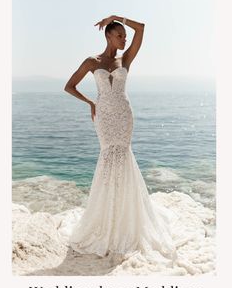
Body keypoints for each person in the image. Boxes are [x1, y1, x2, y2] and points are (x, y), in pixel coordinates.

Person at [59, 15, 178, 265]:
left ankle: (126, 219)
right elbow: (69, 86)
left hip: (124, 115)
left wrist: (117, 17)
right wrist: (90, 102)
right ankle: (105, 219)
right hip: (104, 117)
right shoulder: (92, 61)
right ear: (108, 36)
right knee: (107, 160)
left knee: (123, 158)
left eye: (124, 35)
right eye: (120, 35)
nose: (124, 39)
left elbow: (142, 28)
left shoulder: (126, 59)